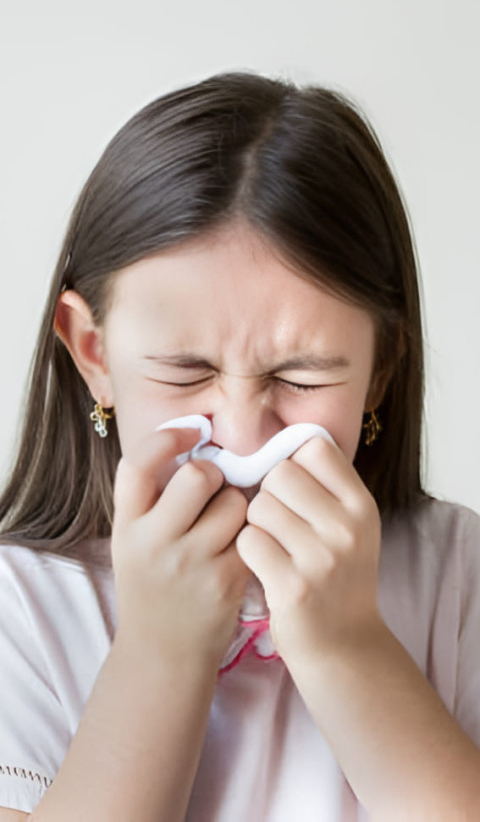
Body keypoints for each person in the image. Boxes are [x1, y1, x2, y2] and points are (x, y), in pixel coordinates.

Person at [0, 70, 479, 822]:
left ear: (380, 371)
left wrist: (346, 647)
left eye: (301, 375)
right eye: (187, 371)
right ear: (95, 354)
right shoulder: (19, 607)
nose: (246, 434)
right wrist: (160, 652)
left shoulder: (461, 576)